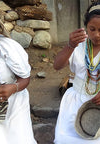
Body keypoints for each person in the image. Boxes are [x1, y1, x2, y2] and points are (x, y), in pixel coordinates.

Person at [0, 1, 37, 144]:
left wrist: (13, 88)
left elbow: (25, 78)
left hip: (13, 104)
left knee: (16, 138)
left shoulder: (8, 48)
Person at [54, 1, 100, 144]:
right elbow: (57, 66)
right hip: (76, 100)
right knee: (67, 138)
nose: (97, 35)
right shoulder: (79, 44)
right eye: (92, 29)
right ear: (86, 26)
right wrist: (70, 45)